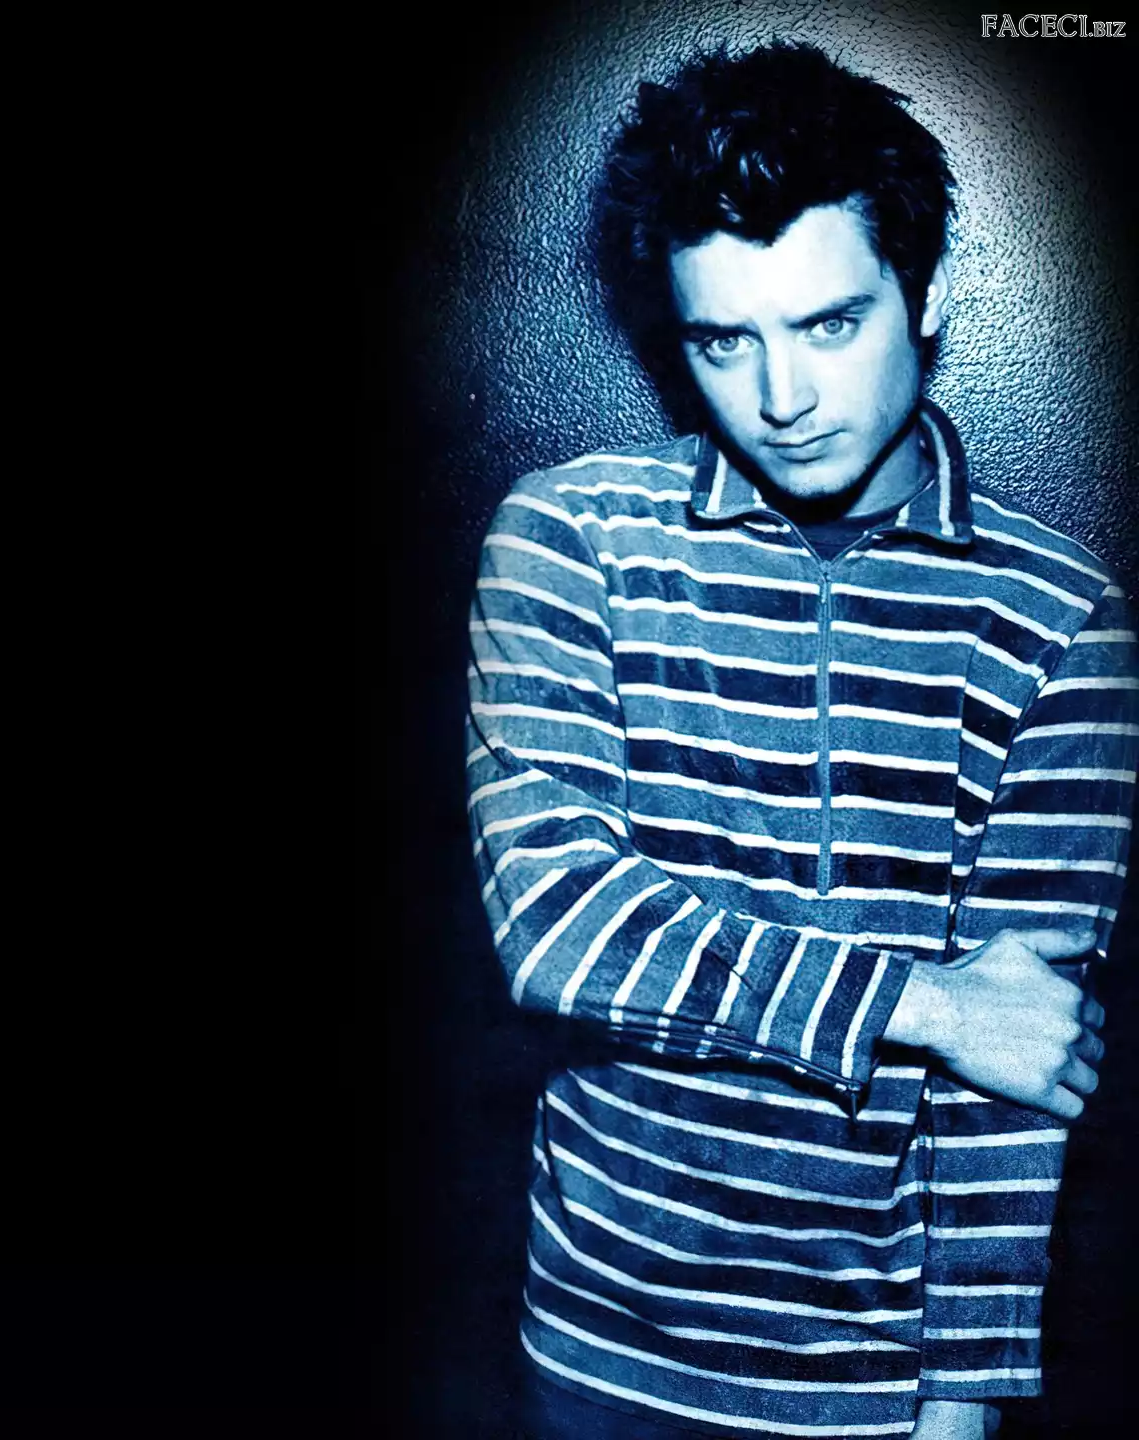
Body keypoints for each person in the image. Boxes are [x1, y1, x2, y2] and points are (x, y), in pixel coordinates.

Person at [464, 42, 1137, 1440]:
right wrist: (929, 1004)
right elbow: (559, 924)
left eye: (830, 324)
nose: (781, 397)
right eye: (726, 341)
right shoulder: (573, 538)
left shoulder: (1061, 618)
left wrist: (959, 1416)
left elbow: (1019, 1069)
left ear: (925, 292)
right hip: (598, 1353)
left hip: (871, 1397)